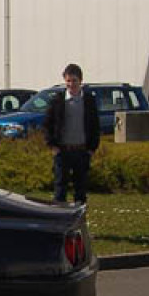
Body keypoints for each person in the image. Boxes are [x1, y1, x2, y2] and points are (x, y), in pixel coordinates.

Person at [44, 63, 100, 205]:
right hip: (62, 152)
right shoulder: (57, 100)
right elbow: (47, 124)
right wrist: (52, 146)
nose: (71, 84)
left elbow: (95, 126)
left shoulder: (88, 101)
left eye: (74, 80)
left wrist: (91, 149)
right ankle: (59, 221)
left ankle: (79, 220)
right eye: (68, 81)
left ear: (81, 81)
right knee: (60, 189)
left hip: (81, 152)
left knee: (80, 190)